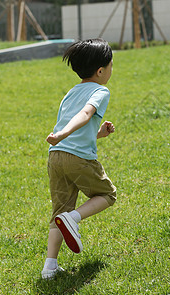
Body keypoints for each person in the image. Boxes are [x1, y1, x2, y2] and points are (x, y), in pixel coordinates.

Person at [41, 38, 117, 280]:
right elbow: (85, 114)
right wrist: (63, 133)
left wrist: (98, 134)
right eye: (111, 66)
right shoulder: (100, 90)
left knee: (59, 211)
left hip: (56, 157)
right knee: (107, 195)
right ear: (101, 70)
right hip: (78, 158)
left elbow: (76, 127)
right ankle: (73, 218)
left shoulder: (71, 92)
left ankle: (49, 267)